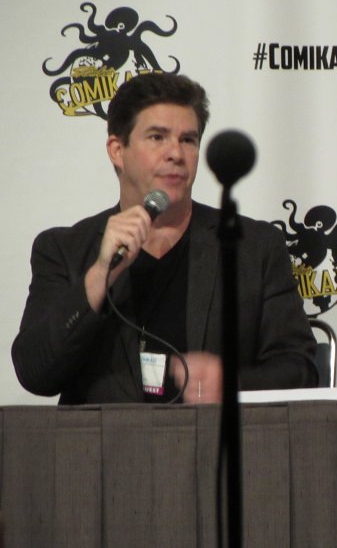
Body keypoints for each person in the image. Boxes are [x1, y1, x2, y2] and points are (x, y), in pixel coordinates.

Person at [12, 73, 318, 404]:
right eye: (157, 137)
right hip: (107, 439)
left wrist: (232, 384)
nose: (176, 153)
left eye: (188, 140)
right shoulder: (63, 250)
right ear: (117, 150)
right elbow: (35, 373)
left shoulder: (254, 247)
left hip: (214, 436)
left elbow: (302, 368)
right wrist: (101, 274)